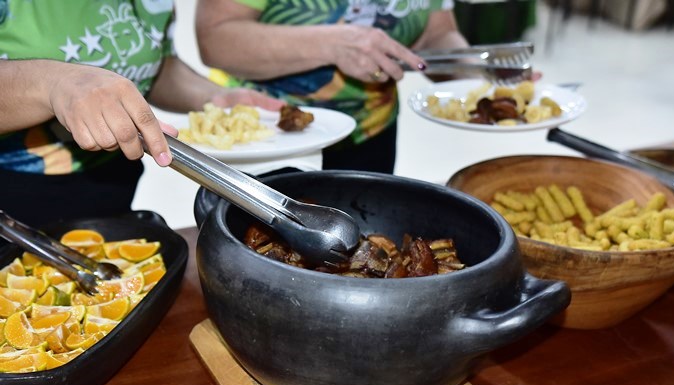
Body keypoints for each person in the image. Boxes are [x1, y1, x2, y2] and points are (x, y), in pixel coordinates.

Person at [0, 0, 282, 227]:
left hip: (113, 184)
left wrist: (214, 99)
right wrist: (52, 83)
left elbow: (154, 70)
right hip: (13, 196)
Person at [195, 0, 469, 174]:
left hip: (372, 131)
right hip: (266, 137)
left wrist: (477, 73)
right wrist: (331, 44)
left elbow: (436, 33)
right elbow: (214, 40)